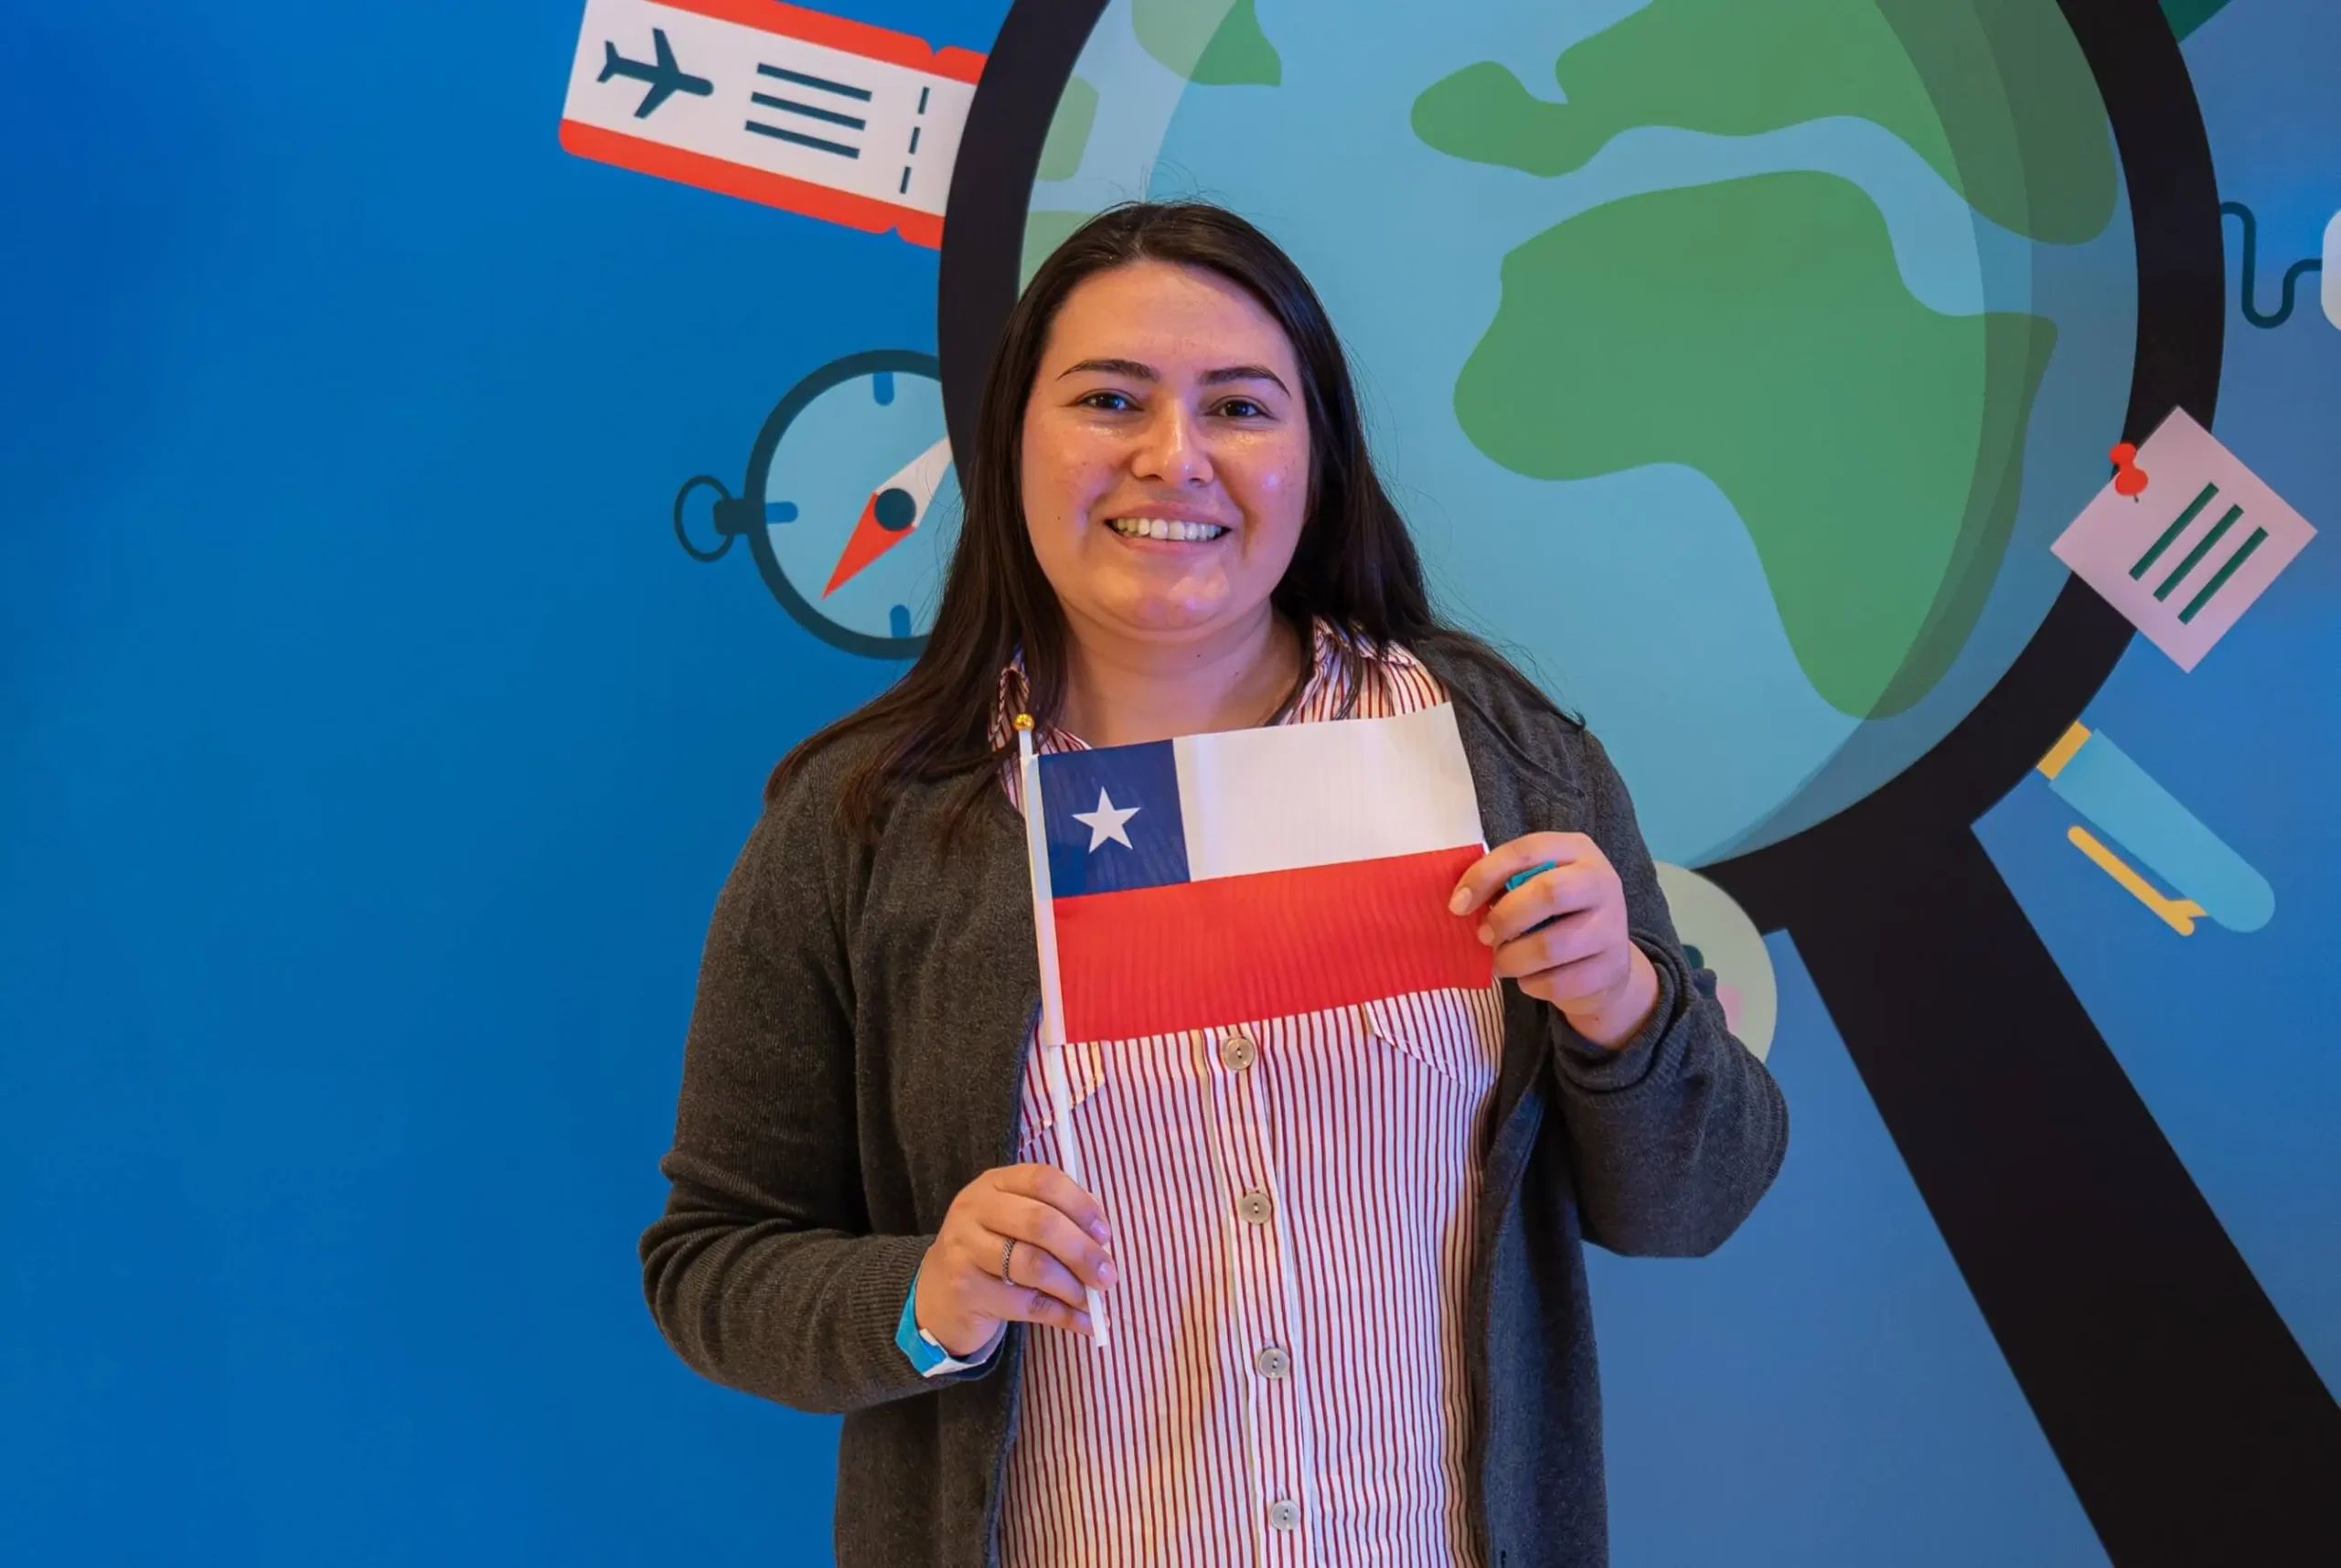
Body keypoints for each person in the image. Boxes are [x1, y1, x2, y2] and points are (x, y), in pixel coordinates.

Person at [641, 201, 1788, 1568]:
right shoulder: (861, 823)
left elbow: (1697, 1197)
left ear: (1318, 457)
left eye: (1239, 406)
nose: (1170, 457)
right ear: (1013, 440)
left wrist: (1621, 1003)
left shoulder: (1503, 761)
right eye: (1109, 398)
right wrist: (923, 1292)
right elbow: (711, 1258)